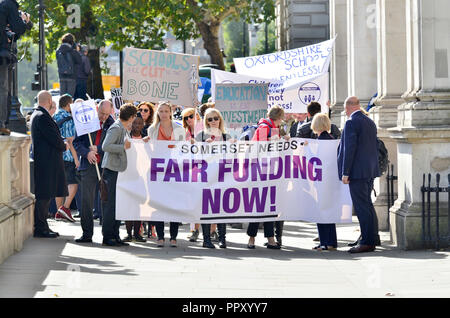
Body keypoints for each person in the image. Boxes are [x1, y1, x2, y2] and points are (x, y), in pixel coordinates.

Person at [338, 96, 381, 254]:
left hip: (357, 171)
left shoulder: (351, 122)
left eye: (345, 108)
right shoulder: (369, 121)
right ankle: (371, 237)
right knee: (367, 205)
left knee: (362, 207)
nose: (344, 111)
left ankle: (367, 242)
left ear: (348, 107)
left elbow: (349, 149)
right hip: (369, 170)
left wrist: (345, 172)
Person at [73, 100, 114, 243]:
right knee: (86, 202)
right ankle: (87, 233)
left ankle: (107, 235)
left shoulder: (111, 123)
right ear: (97, 109)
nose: (104, 117)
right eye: (102, 113)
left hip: (105, 166)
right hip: (88, 166)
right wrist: (86, 153)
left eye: (107, 114)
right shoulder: (86, 121)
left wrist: (100, 149)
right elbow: (76, 142)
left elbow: (114, 144)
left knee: (106, 201)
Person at [247, 105, 288, 250]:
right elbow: (262, 148)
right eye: (282, 118)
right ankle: (253, 239)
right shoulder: (265, 127)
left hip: (270, 171)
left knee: (269, 206)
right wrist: (278, 139)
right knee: (260, 206)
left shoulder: (270, 127)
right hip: (261, 172)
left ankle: (268, 239)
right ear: (278, 117)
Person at [30, 91, 68, 238]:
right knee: (44, 196)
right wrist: (63, 144)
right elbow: (54, 139)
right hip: (46, 163)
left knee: (45, 196)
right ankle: (41, 228)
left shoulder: (37, 115)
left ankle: (43, 226)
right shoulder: (42, 117)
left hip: (45, 162)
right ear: (50, 101)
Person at [148, 101, 185, 247]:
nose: (163, 114)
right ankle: (161, 236)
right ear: (158, 112)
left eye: (166, 111)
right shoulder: (152, 129)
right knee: (159, 204)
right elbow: (150, 150)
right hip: (158, 171)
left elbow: (183, 149)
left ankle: (174, 236)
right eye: (161, 111)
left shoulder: (179, 129)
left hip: (175, 170)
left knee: (173, 203)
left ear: (170, 112)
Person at [101, 103, 137, 247]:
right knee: (110, 205)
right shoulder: (116, 128)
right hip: (111, 170)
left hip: (117, 170)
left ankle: (115, 235)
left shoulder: (122, 128)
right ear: (132, 117)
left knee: (117, 205)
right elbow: (105, 146)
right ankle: (108, 236)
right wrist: (123, 147)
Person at [194, 108, 231, 249]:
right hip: (206, 177)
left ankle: (222, 238)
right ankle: (206, 239)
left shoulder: (226, 136)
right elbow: (194, 157)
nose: (213, 121)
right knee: (206, 208)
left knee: (221, 207)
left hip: (222, 176)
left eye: (216, 118)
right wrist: (204, 147)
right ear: (206, 121)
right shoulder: (201, 136)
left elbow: (233, 157)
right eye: (210, 119)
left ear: (220, 119)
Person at [0, 0, 30, 135]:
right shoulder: (8, 4)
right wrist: (24, 20)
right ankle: (1, 124)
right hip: (2, 55)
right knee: (3, 89)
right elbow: (18, 27)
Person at [310, 114, 338, 251]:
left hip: (321, 181)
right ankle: (330, 242)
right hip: (330, 181)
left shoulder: (320, 141)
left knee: (321, 211)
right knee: (329, 211)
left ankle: (325, 242)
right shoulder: (331, 139)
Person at [53, 94, 79, 223]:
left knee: (59, 185)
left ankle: (59, 211)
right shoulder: (69, 119)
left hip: (56, 155)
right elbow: (70, 142)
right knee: (73, 183)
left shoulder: (54, 117)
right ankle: (66, 208)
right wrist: (76, 158)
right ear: (68, 105)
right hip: (67, 156)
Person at [123, 116, 147, 243]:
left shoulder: (146, 138)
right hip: (127, 174)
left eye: (139, 123)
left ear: (143, 125)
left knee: (138, 206)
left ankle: (137, 233)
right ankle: (128, 233)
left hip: (141, 176)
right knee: (128, 205)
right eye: (135, 123)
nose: (137, 125)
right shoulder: (126, 137)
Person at [181, 107, 201, 241]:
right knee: (192, 200)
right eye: (185, 117)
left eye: (191, 116)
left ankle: (210, 230)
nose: (188, 119)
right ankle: (194, 229)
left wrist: (198, 143)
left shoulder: (204, 130)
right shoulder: (185, 133)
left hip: (204, 169)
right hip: (190, 170)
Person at [56, 33, 82, 97]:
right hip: (71, 76)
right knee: (69, 98)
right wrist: (77, 50)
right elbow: (79, 61)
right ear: (72, 41)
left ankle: (61, 106)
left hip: (61, 76)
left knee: (62, 97)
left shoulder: (58, 51)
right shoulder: (73, 51)